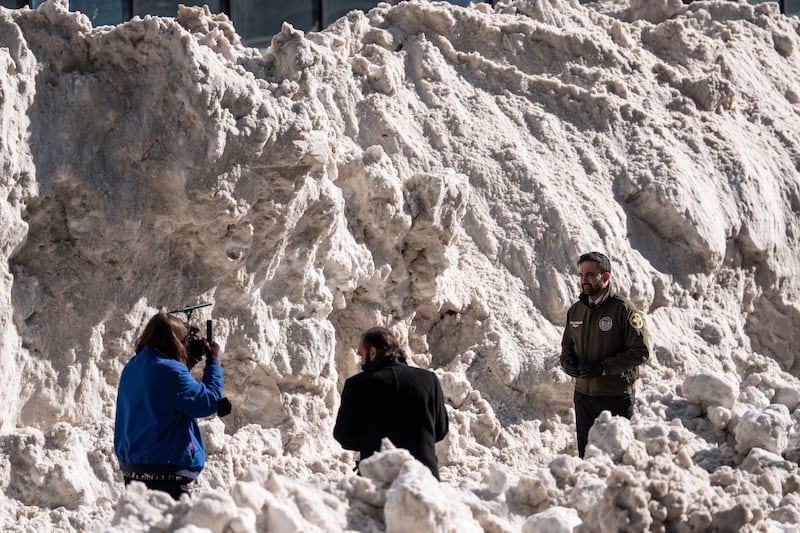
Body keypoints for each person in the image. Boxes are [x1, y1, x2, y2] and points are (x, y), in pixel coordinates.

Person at [114, 312, 224, 499]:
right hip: (164, 473)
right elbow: (209, 402)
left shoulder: (133, 366)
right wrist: (213, 361)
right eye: (184, 340)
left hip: (134, 471)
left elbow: (167, 392)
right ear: (176, 341)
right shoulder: (171, 372)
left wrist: (186, 362)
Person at [560, 252, 650, 458]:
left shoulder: (623, 309)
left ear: (606, 277)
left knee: (616, 460)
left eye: (590, 275)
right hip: (583, 396)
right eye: (581, 275)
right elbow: (566, 348)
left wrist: (602, 368)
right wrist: (567, 362)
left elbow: (641, 352)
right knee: (587, 457)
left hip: (615, 396)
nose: (584, 280)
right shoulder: (575, 311)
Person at [333, 327, 449, 479]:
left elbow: (344, 437)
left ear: (372, 352)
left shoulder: (357, 385)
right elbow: (441, 430)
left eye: (361, 354)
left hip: (378, 479)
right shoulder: (429, 380)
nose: (360, 361)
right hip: (423, 479)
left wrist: (370, 439)